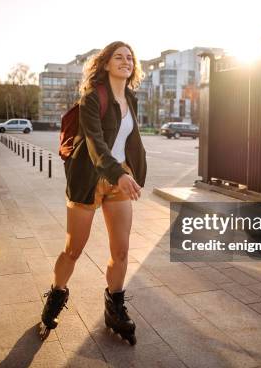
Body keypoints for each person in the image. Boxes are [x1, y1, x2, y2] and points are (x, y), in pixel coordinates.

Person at [39, 41, 147, 345]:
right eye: (119, 57)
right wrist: (117, 174)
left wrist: (133, 172)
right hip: (89, 177)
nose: (126, 61)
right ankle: (56, 294)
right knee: (74, 248)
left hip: (120, 179)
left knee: (121, 251)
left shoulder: (131, 99)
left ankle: (114, 306)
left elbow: (130, 140)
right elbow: (94, 143)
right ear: (106, 64)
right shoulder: (91, 99)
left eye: (130, 57)